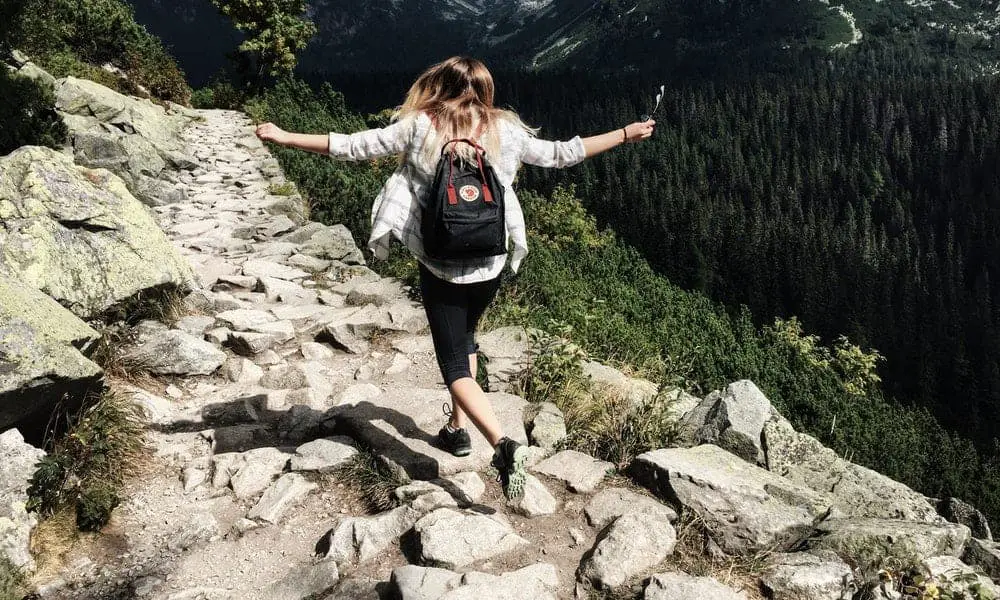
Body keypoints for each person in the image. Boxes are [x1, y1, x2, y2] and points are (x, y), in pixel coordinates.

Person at [255, 56, 655, 500]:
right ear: (485, 90)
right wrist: (625, 133)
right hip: (490, 261)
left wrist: (285, 136)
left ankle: (502, 446)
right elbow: (564, 154)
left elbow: (353, 145)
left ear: (439, 86)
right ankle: (456, 429)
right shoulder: (505, 129)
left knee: (452, 362)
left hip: (441, 264)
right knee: (467, 340)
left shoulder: (418, 126)